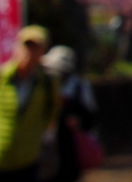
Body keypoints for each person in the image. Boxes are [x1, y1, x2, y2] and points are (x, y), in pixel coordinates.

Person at [0, 26, 60, 182]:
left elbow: (51, 113)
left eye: (36, 48)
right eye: (26, 46)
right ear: (17, 48)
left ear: (42, 52)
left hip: (27, 161)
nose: (29, 53)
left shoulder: (47, 83)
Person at [40, 47, 98, 182]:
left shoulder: (79, 87)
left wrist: (78, 122)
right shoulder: (42, 86)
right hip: (44, 148)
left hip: (68, 151)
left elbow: (91, 117)